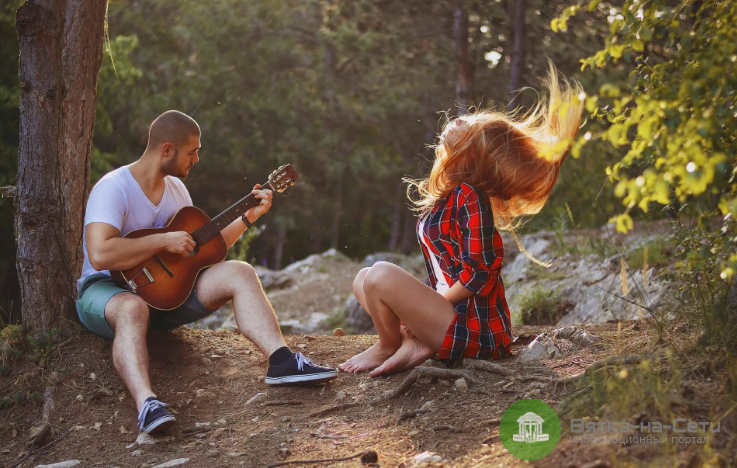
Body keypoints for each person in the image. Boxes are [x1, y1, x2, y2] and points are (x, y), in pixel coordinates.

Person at [77, 110, 337, 435]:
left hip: (167, 297)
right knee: (133, 307)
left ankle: (282, 360)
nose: (197, 159)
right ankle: (147, 405)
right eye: (192, 151)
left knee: (239, 272)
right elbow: (100, 254)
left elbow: (203, 249)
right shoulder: (114, 188)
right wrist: (163, 240)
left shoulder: (177, 192)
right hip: (107, 292)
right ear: (167, 150)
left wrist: (249, 217)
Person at [339, 65, 584, 376]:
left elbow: (479, 272)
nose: (459, 119)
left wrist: (435, 302)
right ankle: (417, 343)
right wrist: (419, 312)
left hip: (473, 330)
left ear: (475, 154)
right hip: (447, 317)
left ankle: (388, 345)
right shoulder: (449, 197)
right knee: (363, 278)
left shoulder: (470, 196)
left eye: (469, 126)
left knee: (380, 275)